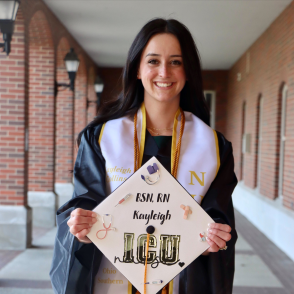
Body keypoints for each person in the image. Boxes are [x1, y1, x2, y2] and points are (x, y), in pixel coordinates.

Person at [50, 18, 238, 294]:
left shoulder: (213, 147)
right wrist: (80, 226)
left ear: (188, 72)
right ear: (137, 69)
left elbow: (218, 219)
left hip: (182, 283)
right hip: (111, 280)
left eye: (176, 61)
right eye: (153, 61)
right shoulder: (102, 138)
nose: (164, 71)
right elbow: (85, 203)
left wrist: (214, 242)